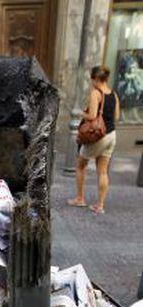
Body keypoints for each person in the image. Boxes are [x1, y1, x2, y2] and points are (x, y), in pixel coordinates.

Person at [68, 65, 120, 214]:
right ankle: (100, 205)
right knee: (102, 171)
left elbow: (92, 116)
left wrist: (81, 113)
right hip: (111, 135)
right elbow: (116, 117)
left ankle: (79, 198)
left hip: (98, 136)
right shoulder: (114, 94)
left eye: (92, 79)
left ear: (96, 79)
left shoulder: (96, 93)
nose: (91, 82)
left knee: (80, 165)